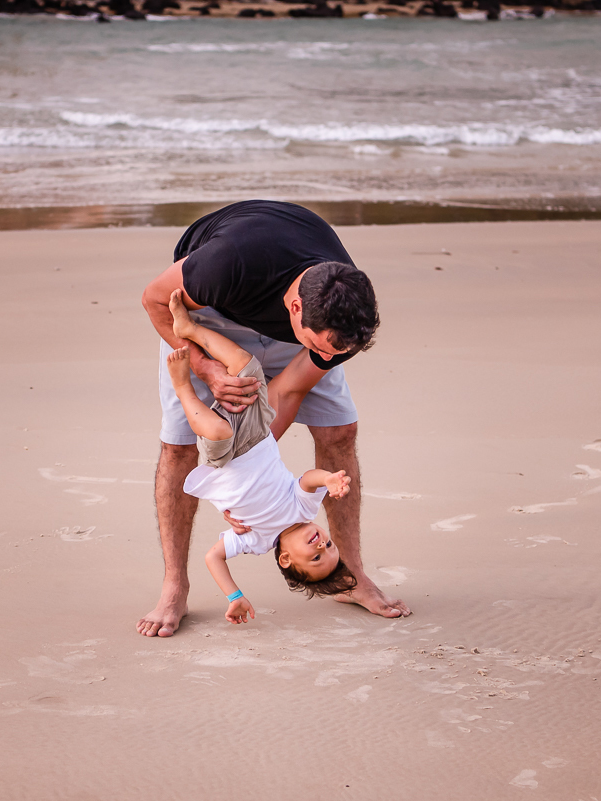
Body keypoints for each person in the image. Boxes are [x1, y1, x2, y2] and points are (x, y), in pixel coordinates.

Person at [138, 200, 410, 638]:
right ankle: (175, 586)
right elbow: (153, 299)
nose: (331, 356)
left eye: (336, 352)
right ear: (296, 308)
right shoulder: (226, 264)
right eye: (322, 348)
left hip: (294, 334)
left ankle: (352, 576)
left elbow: (289, 390)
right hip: (210, 316)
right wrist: (205, 368)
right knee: (180, 446)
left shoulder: (343, 325)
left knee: (340, 431)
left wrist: (247, 477)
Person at [161, 289, 355, 625]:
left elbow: (213, 557)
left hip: (225, 457)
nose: (321, 545)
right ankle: (190, 328)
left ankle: (183, 388)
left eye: (315, 557)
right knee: (248, 368)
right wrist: (329, 479)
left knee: (216, 431)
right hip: (257, 435)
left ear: (285, 559)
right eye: (330, 547)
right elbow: (308, 481)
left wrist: (234, 595)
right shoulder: (304, 509)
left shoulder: (256, 540)